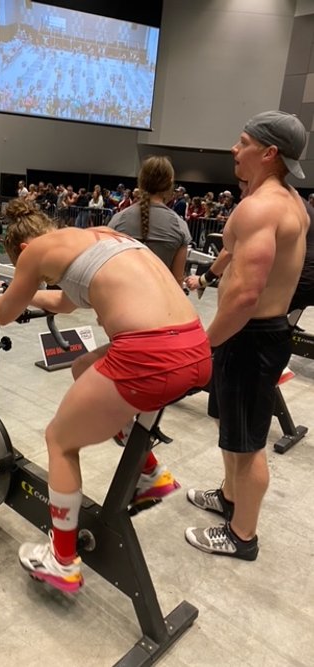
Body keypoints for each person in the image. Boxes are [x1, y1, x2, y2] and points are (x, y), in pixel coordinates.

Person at [0, 199, 212, 592]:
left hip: (150, 358)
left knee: (59, 440)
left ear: (24, 249)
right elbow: (63, 302)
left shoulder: (36, 251)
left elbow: (1, 313)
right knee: (83, 368)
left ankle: (62, 560)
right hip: (196, 349)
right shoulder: (99, 236)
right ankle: (150, 473)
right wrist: (25, 293)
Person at [184, 110, 309, 561]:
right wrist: (206, 277)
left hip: (250, 336)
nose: (234, 149)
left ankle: (242, 536)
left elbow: (245, 296)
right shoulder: (288, 200)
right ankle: (229, 496)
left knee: (250, 443)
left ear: (269, 152)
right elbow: (235, 253)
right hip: (256, 335)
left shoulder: (260, 207)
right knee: (233, 429)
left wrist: (205, 343)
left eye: (243, 142)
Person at [104, 156, 193, 502]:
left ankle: (147, 466)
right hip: (161, 323)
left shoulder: (118, 221)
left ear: (140, 182)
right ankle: (146, 464)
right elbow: (176, 283)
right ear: (169, 187)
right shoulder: (179, 227)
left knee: (113, 391)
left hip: (122, 320)